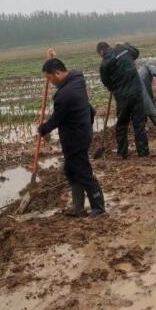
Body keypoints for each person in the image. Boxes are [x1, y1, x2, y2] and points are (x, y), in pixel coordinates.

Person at [38, 56, 105, 219]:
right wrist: (53, 57)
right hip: (82, 131)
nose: (50, 82)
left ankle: (98, 207)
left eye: (49, 78)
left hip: (75, 138)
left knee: (83, 172)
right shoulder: (76, 80)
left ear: (57, 73)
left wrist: (43, 129)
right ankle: (78, 206)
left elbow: (57, 119)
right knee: (71, 170)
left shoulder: (65, 95)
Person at [97, 41, 150, 158]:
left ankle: (122, 153)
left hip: (122, 97)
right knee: (139, 124)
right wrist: (124, 45)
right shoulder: (123, 49)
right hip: (136, 93)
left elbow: (107, 83)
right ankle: (143, 152)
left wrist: (115, 90)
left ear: (101, 52)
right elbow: (136, 53)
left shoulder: (104, 65)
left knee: (122, 125)